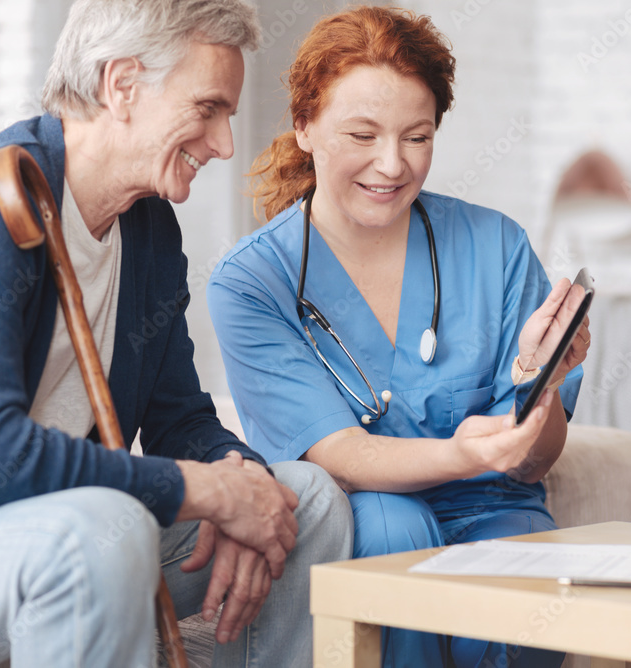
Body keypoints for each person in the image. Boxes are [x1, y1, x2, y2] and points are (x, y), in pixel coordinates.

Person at [0, 1, 352, 666]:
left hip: (74, 531)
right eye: (208, 109)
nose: (224, 144)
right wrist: (204, 492)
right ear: (122, 86)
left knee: (306, 501)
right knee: (97, 526)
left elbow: (182, 420)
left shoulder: (147, 228)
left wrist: (245, 487)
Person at [207, 6, 590, 667]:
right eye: (362, 135)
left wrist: (539, 380)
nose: (392, 165)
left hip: (491, 511)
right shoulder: (253, 282)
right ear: (304, 127)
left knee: (522, 601)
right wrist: (470, 452)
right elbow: (342, 457)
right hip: (367, 520)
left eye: (416, 137)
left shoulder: (495, 247)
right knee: (392, 523)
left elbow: (533, 458)